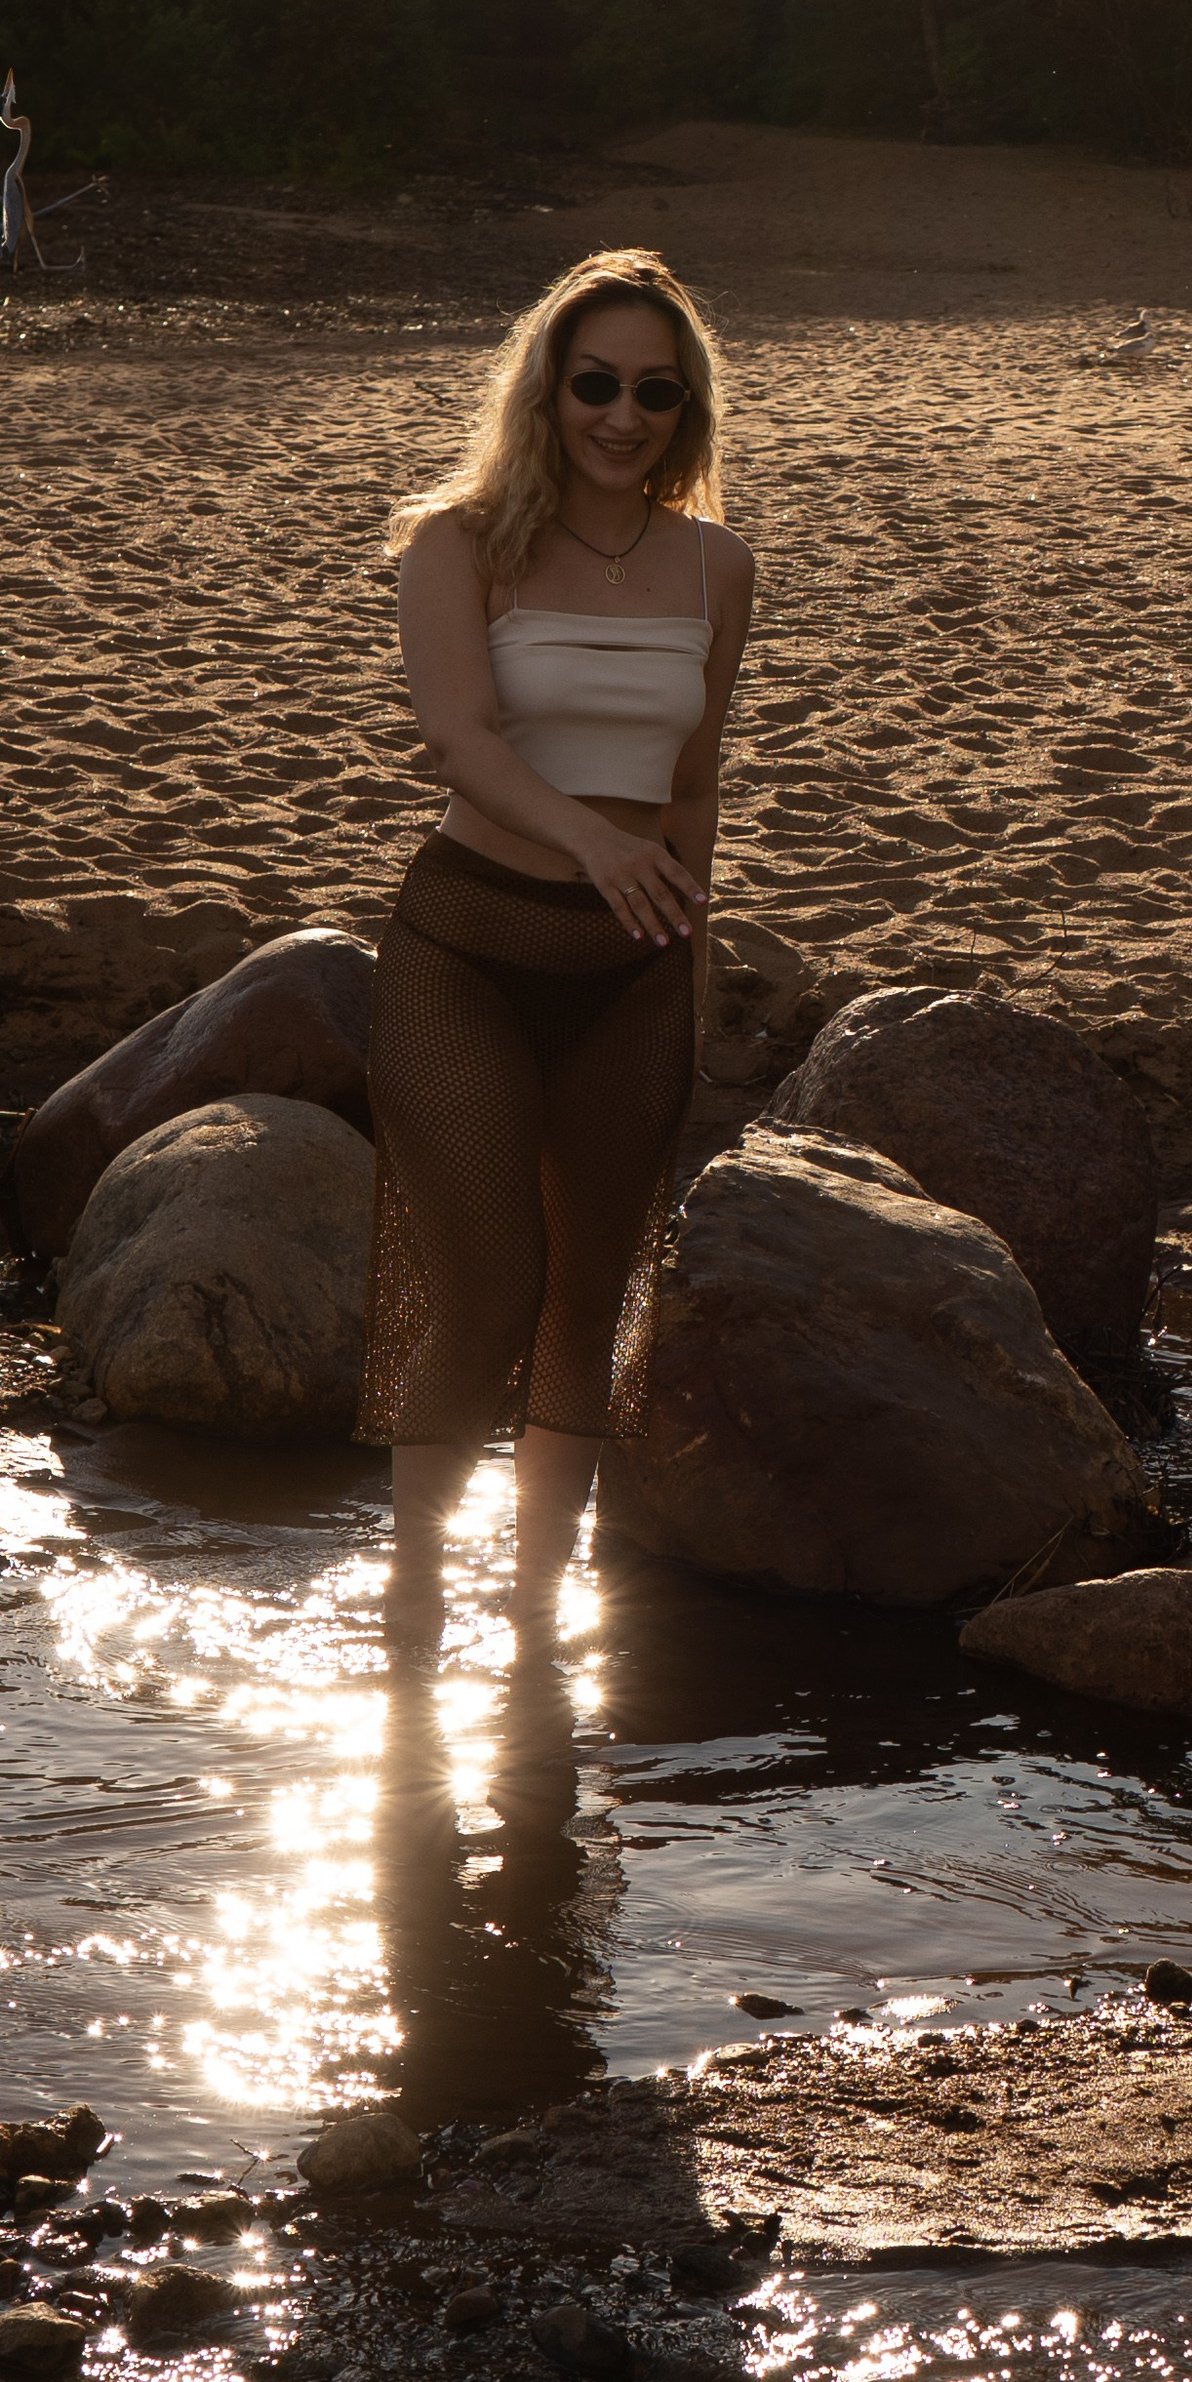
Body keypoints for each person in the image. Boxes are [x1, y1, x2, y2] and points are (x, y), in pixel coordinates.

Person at [362, 248, 754, 1644]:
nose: (623, 414)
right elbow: (456, 736)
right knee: (490, 1291)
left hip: (632, 977)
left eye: (656, 389)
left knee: (593, 1301)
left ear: (685, 407)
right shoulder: (456, 541)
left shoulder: (718, 563)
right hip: (466, 952)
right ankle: (412, 1612)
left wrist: (689, 966)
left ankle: (535, 1625)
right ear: (549, 387)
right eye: (596, 382)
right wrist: (592, 842)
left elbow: (694, 785)